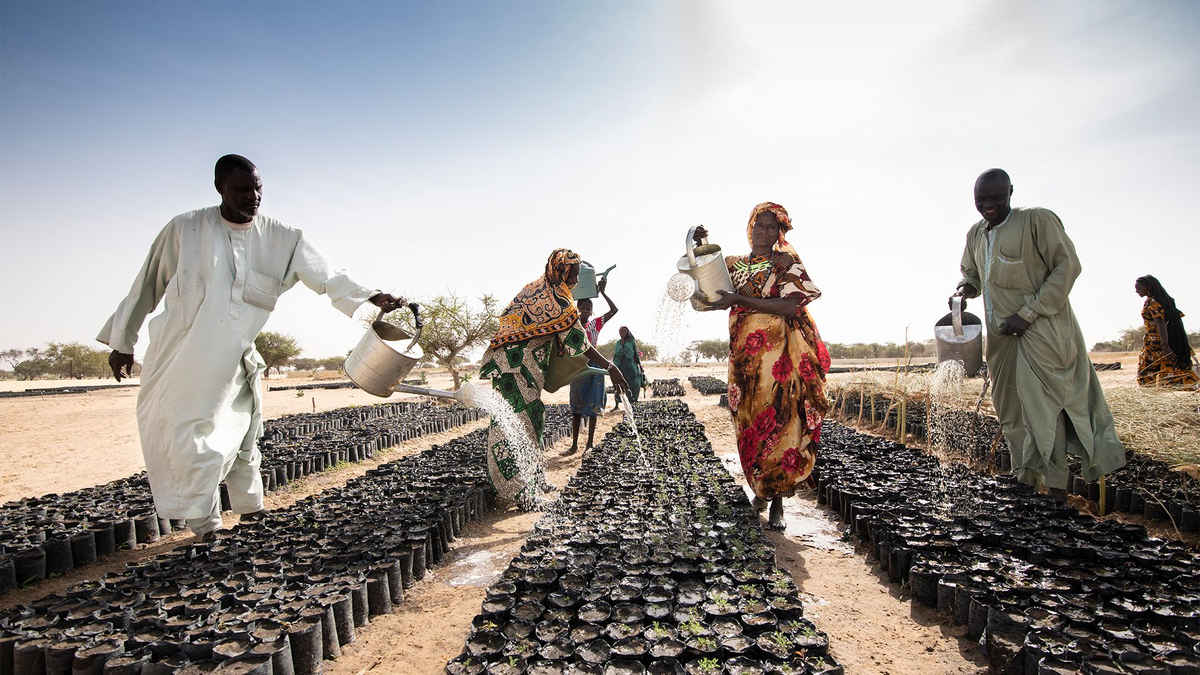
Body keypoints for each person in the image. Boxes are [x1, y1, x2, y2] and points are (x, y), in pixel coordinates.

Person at [98, 155, 404, 540]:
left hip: (237, 359)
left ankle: (250, 508)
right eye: (243, 189)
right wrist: (122, 342)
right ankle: (206, 527)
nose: (253, 197)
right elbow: (145, 286)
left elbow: (328, 275)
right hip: (182, 360)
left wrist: (374, 296)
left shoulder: (283, 238)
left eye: (258, 189)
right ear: (219, 187)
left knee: (245, 437)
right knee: (195, 443)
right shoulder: (185, 230)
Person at [955, 168, 1125, 500]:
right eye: (981, 199)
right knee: (1011, 409)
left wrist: (1029, 312)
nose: (988, 205)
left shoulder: (1036, 221)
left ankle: (1057, 489)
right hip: (1002, 339)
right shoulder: (976, 234)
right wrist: (965, 289)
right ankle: (1025, 478)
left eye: (995, 198)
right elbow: (971, 273)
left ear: (1011, 193)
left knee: (1047, 408)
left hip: (1043, 331)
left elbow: (1067, 266)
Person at [694, 202, 830, 531]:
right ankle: (759, 491)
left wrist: (740, 300)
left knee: (781, 424)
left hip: (780, 360)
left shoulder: (786, 262)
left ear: (779, 232)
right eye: (759, 225)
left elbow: (787, 305)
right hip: (744, 360)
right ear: (750, 227)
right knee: (750, 425)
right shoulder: (735, 264)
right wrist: (699, 250)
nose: (764, 232)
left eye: (772, 227)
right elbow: (707, 297)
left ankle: (778, 502)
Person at [478, 249, 630, 510]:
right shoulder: (557, 299)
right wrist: (610, 366)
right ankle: (520, 492)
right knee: (517, 424)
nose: (573, 280)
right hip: (515, 368)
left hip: (524, 366)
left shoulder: (538, 287)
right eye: (572, 274)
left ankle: (535, 479)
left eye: (577, 276)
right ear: (560, 270)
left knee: (534, 416)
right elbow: (577, 343)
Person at [568, 278, 618, 452]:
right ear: (577, 309)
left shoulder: (595, 323)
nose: (585, 311)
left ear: (591, 311)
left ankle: (589, 444)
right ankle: (574, 445)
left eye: (588, 308)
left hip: (595, 366)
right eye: (582, 308)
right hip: (578, 367)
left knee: (594, 407)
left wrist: (603, 292)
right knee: (576, 408)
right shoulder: (571, 324)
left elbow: (614, 310)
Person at [1135, 275, 1198, 388]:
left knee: (1146, 375)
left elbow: (1161, 324)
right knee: (1173, 372)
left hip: (1156, 344)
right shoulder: (1164, 301)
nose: (1136, 291)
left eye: (1139, 288)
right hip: (1164, 342)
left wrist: (1164, 346)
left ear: (1149, 287)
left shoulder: (1152, 302)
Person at [610, 326, 644, 409]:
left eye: (625, 331)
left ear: (627, 332)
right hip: (621, 367)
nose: (623, 333)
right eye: (622, 332)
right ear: (619, 333)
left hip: (631, 367)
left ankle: (632, 403)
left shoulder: (631, 342)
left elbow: (636, 354)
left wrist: (640, 365)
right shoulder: (618, 343)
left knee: (632, 385)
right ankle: (617, 404)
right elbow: (615, 355)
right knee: (619, 385)